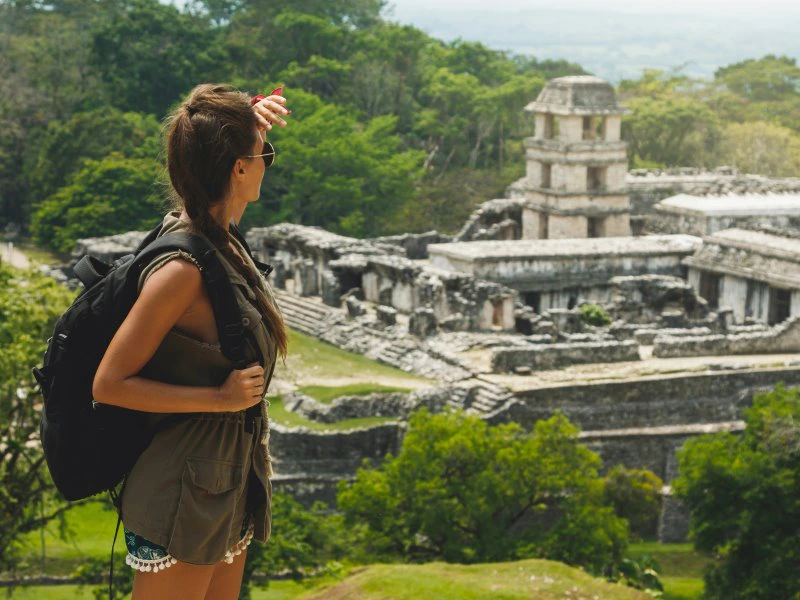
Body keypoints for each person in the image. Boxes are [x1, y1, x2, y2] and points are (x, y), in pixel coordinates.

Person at [92, 83, 291, 599]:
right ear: (238, 169)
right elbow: (110, 383)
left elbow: (224, 190)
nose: (266, 163)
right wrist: (218, 399)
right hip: (183, 485)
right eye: (262, 155)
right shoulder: (183, 270)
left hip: (224, 475)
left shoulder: (219, 236)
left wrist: (253, 128)